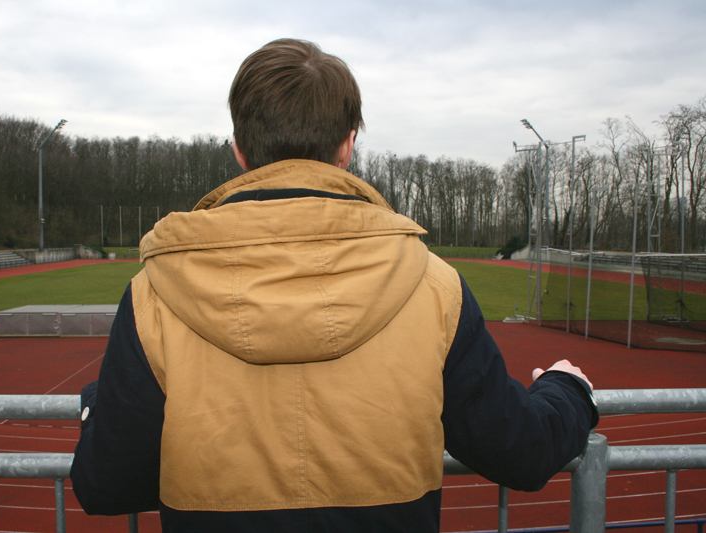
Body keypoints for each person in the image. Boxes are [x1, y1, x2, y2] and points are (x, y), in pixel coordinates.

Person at [70, 38, 598, 532]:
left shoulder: (153, 292)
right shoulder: (435, 286)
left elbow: (110, 483)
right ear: (347, 147)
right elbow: (517, 450)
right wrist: (567, 389)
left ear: (239, 150)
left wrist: (99, 405)